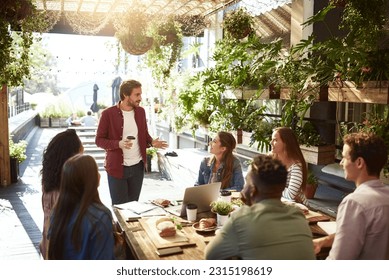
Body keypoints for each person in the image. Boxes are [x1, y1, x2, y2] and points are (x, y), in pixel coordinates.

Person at [205, 155, 316, 260]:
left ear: (253, 189)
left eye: (246, 182)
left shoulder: (242, 219)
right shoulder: (299, 217)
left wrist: (223, 233)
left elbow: (210, 255)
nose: (243, 188)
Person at [313, 132, 389, 259]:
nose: (341, 163)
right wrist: (323, 241)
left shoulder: (354, 203)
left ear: (359, 162)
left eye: (344, 158)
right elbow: (363, 234)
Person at [95, 79, 168, 205]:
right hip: (117, 168)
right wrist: (118, 144)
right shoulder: (108, 114)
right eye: (137, 95)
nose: (140, 98)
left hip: (137, 168)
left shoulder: (140, 112)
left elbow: (144, 135)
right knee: (120, 208)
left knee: (134, 206)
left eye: (140, 94)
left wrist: (151, 142)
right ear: (125, 95)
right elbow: (99, 140)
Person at [47, 154, 115, 259]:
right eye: (96, 171)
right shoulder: (100, 216)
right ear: (90, 180)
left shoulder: (57, 214)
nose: (99, 175)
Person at [39, 129, 84, 259]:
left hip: (48, 240)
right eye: (80, 151)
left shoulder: (49, 178)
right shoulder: (68, 184)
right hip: (64, 245)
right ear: (71, 154)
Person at [271, 127, 308, 204]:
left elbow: (290, 195)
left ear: (286, 143)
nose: (271, 142)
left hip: (298, 208)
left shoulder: (296, 167)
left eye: (275, 140)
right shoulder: (271, 159)